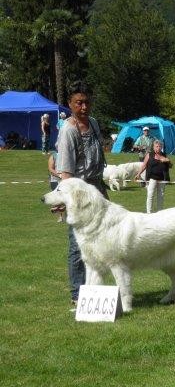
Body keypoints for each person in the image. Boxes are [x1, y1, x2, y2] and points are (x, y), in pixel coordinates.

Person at [56, 82, 108, 305]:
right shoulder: (68, 130)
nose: (84, 107)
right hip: (78, 192)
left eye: (87, 102)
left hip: (98, 188)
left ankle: (95, 289)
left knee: (103, 240)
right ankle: (78, 294)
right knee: (78, 244)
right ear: (70, 104)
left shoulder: (94, 124)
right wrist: (68, 202)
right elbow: (66, 173)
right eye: (79, 102)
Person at [135, 140, 172, 213]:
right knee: (150, 195)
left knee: (161, 196)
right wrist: (138, 174)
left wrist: (168, 160)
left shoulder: (164, 155)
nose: (158, 148)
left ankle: (160, 212)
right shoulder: (149, 155)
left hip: (162, 178)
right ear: (154, 147)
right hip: (152, 178)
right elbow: (144, 165)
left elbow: (170, 166)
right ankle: (149, 213)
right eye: (157, 146)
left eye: (160, 146)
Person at [47, 147, 64, 222]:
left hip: (64, 180)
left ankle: (63, 212)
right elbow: (51, 169)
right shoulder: (54, 156)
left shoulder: (67, 155)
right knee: (57, 198)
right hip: (55, 180)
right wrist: (59, 175)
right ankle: (60, 216)